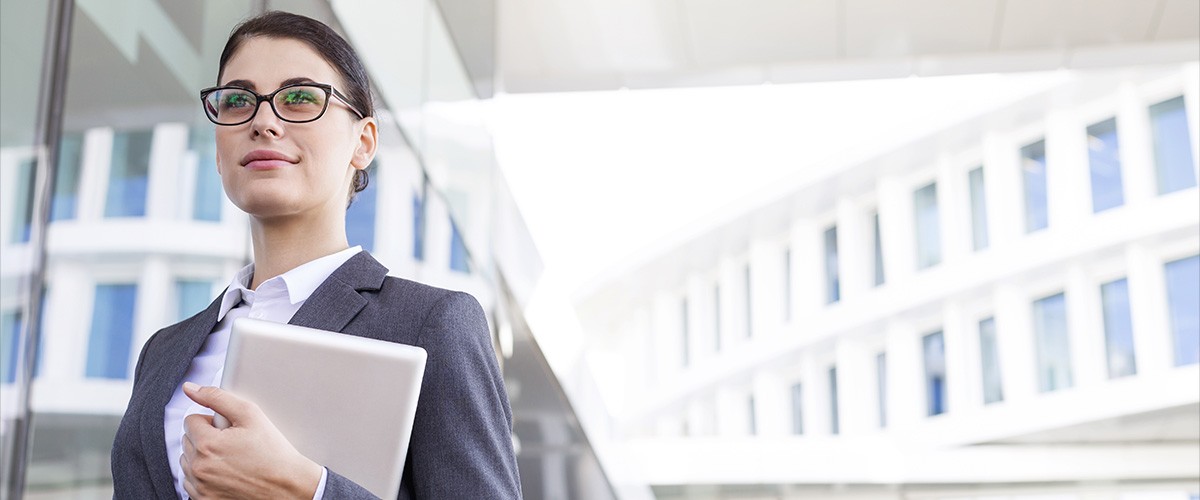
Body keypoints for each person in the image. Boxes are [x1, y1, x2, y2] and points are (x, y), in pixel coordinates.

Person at [109, 11, 521, 499]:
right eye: (238, 101)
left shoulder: (432, 324)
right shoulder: (164, 351)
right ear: (218, 151)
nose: (263, 121)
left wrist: (308, 488)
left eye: (300, 98)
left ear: (363, 142)